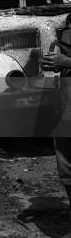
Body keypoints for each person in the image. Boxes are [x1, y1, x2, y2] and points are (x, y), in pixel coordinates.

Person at [42, 14, 71, 219]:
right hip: (67, 103)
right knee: (65, 161)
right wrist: (54, 63)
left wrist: (66, 61)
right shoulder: (67, 23)